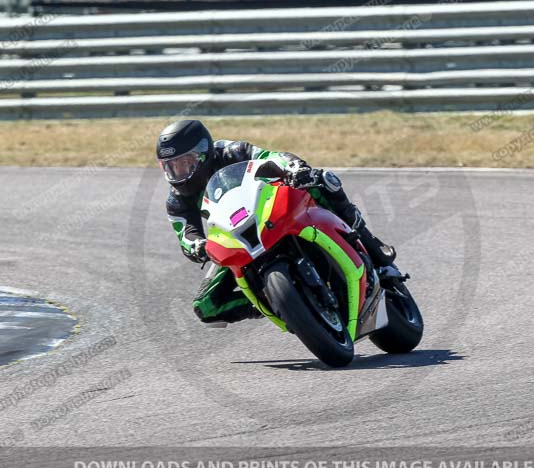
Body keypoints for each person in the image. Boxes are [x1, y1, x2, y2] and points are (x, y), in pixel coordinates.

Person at [158, 119, 396, 325]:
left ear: (203, 153)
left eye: (184, 162)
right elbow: (185, 234)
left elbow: (269, 157)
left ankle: (372, 246)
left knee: (322, 181)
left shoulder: (230, 151)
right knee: (205, 306)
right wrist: (197, 245)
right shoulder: (177, 200)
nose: (178, 171)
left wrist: (294, 167)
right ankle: (277, 304)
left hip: (269, 210)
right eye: (171, 166)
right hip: (236, 237)